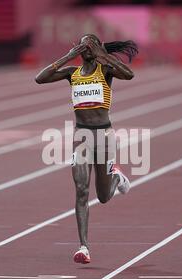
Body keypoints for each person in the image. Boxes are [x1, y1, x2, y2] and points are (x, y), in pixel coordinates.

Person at [35, 34, 138, 264]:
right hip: (81, 136)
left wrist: (104, 55)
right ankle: (84, 247)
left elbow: (129, 75)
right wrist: (67, 57)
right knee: (81, 190)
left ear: (97, 48)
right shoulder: (72, 74)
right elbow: (39, 79)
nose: (85, 48)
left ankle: (116, 178)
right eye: (82, 45)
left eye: (90, 44)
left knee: (102, 197)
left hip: (104, 135)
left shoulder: (105, 71)